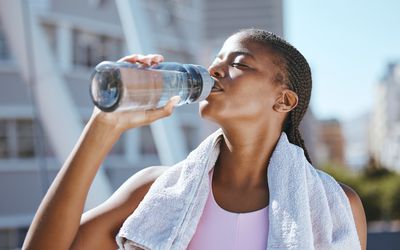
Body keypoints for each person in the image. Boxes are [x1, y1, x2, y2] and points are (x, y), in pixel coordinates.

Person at [22, 28, 367, 250]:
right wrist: (102, 126)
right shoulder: (155, 191)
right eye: (217, 60)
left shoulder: (336, 205)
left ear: (284, 100)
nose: (215, 70)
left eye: (240, 64)